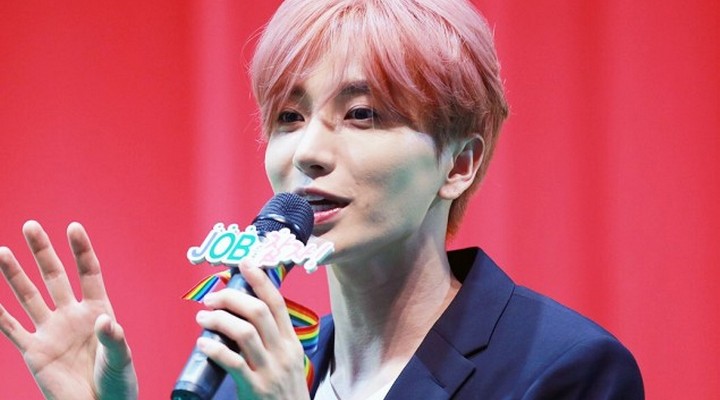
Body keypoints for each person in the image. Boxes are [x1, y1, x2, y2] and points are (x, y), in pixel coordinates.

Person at [0, 0, 644, 399]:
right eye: (289, 116)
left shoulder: (563, 370)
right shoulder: (245, 377)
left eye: (361, 114)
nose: (307, 151)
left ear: (459, 164)